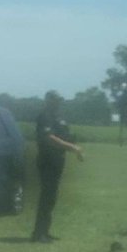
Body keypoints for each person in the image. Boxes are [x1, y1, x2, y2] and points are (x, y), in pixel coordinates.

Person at [31, 91, 84, 243]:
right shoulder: (45, 116)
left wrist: (73, 147)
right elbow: (49, 138)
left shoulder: (59, 117)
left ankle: (45, 231)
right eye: (55, 100)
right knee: (46, 196)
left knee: (52, 197)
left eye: (59, 100)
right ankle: (38, 233)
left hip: (58, 159)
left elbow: (65, 136)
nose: (58, 102)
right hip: (47, 160)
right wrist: (72, 148)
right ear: (48, 100)